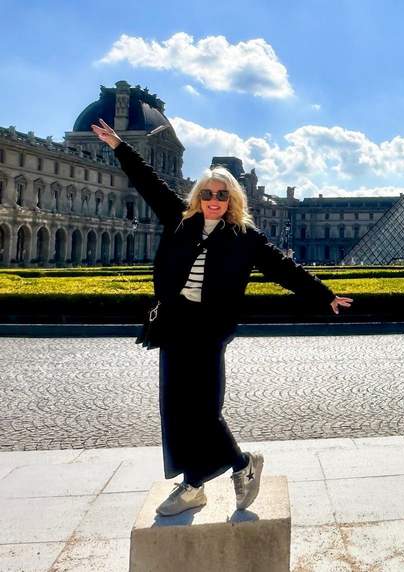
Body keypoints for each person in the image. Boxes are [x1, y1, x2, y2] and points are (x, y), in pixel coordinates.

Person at [91, 118, 353, 516]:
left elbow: (283, 269)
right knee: (176, 406)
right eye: (209, 193)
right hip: (174, 323)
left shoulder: (245, 238)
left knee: (204, 407)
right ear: (198, 196)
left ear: (233, 200)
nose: (215, 200)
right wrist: (118, 146)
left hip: (211, 327)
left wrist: (324, 294)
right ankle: (194, 482)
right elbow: (147, 182)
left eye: (223, 195)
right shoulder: (179, 219)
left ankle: (239, 465)